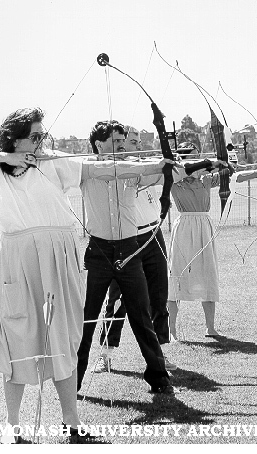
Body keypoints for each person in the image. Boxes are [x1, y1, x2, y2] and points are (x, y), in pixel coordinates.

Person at [0, 108, 174, 443]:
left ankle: (72, 424)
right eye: (35, 136)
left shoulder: (55, 162)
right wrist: (9, 156)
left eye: (44, 135)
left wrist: (157, 166)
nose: (42, 142)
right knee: (17, 338)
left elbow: (105, 169)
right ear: (15, 137)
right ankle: (12, 427)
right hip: (17, 260)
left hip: (58, 258)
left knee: (64, 338)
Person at [77, 120, 180, 395]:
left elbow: (170, 175)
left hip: (129, 249)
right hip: (99, 251)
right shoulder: (87, 168)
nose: (122, 148)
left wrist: (175, 164)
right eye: (115, 143)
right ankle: (73, 383)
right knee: (87, 317)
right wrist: (157, 165)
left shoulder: (133, 170)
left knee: (141, 315)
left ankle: (159, 378)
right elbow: (109, 171)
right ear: (99, 145)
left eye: (124, 143)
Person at [167, 141, 257, 340]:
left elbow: (236, 176)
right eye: (192, 157)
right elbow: (178, 171)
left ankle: (210, 328)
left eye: (198, 156)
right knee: (176, 276)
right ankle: (171, 331)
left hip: (203, 226)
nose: (198, 161)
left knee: (208, 272)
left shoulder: (206, 180)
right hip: (184, 226)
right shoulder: (175, 179)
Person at [96, 126, 176, 372]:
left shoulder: (147, 164)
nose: (135, 146)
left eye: (138, 141)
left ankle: (159, 354)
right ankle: (105, 354)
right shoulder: (117, 170)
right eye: (131, 141)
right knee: (118, 298)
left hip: (153, 233)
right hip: (129, 240)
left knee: (158, 295)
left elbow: (166, 174)